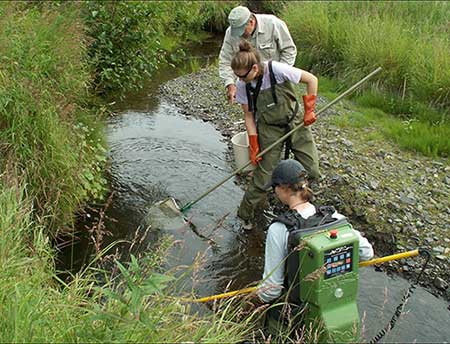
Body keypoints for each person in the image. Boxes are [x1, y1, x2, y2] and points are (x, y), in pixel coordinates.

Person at [253, 159, 374, 335]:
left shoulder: (279, 229)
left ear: (284, 189)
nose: (274, 192)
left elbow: (271, 291)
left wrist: (255, 296)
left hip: (293, 318)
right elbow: (366, 253)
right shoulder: (334, 217)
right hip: (332, 309)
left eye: (275, 188)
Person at [231, 40, 319, 229]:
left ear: (254, 68)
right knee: (263, 177)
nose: (241, 80)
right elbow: (248, 115)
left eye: (243, 76)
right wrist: (254, 145)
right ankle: (245, 215)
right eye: (237, 77)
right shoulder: (242, 85)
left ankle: (304, 208)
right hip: (269, 128)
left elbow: (312, 80)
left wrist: (309, 110)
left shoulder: (276, 70)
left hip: (295, 122)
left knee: (311, 169)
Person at [219, 5, 297, 105]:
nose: (240, 35)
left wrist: (280, 75)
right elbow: (225, 60)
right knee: (256, 115)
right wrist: (230, 83)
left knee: (283, 112)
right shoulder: (230, 33)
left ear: (251, 22)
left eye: (242, 31)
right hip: (250, 83)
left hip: (277, 80)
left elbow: (289, 50)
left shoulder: (273, 24)